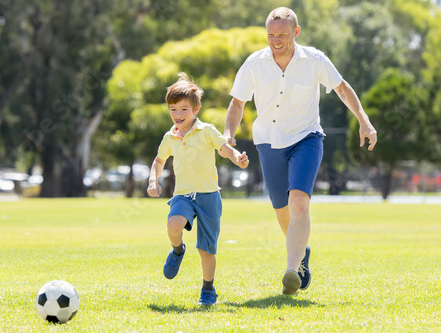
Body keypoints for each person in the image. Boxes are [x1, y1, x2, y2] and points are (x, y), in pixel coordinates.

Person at [223, 7, 377, 295]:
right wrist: (229, 134)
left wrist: (364, 121)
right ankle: (302, 253)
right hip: (268, 141)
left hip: (306, 138)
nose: (275, 40)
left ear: (296, 32)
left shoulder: (315, 60)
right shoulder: (255, 63)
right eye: (270, 34)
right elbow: (237, 103)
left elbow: (342, 88)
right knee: (282, 210)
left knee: (298, 203)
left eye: (282, 34)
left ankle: (292, 270)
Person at [147, 72, 249, 305]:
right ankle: (178, 250)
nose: (178, 115)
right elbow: (159, 160)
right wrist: (153, 180)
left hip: (209, 197)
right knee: (173, 224)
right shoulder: (170, 137)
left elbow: (224, 148)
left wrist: (237, 158)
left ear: (196, 109)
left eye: (184, 109)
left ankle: (208, 288)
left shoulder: (207, 131)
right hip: (183, 195)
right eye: (173, 110)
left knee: (206, 250)